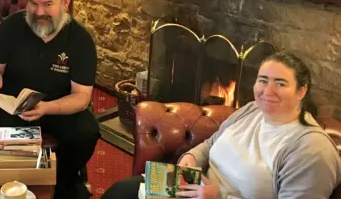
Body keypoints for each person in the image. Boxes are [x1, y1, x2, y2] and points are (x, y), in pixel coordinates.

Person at [102, 51, 341, 199]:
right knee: (121, 192)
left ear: (301, 91)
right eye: (263, 80)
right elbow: (211, 143)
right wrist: (192, 158)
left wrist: (220, 197)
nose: (267, 91)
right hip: (194, 190)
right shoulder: (251, 110)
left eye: (280, 84)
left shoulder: (311, 150)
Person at [0, 0, 100, 199]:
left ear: (65, 2)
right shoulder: (12, 26)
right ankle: (20, 185)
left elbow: (82, 97)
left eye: (47, 4)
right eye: (33, 3)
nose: (38, 11)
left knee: (87, 131)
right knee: (1, 139)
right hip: (15, 108)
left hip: (59, 108)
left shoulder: (81, 40)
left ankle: (59, 179)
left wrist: (46, 108)